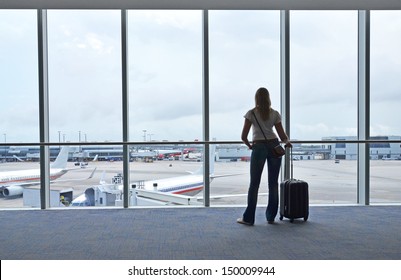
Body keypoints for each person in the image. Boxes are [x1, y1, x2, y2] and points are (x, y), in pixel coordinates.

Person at [237, 87, 292, 225]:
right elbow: (282, 135)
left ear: (256, 98)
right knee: (273, 184)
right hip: (274, 146)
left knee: (254, 184)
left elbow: (243, 136)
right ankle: (270, 216)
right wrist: (287, 142)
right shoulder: (274, 114)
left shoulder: (251, 113)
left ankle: (249, 218)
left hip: (259, 147)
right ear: (268, 98)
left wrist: (250, 145)